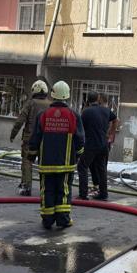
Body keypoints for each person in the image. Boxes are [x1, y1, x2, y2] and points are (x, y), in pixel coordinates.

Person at [28, 81, 84, 229]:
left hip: (46, 163)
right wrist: (78, 155)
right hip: (66, 163)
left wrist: (31, 155)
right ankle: (63, 220)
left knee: (47, 190)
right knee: (63, 191)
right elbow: (80, 139)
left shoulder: (43, 115)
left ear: (52, 95)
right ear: (67, 96)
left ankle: (47, 220)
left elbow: (35, 137)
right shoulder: (73, 115)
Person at [9, 80, 51, 196]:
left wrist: (13, 134)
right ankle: (46, 188)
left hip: (30, 138)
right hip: (45, 139)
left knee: (27, 161)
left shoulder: (30, 103)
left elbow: (20, 120)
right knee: (45, 164)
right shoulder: (50, 104)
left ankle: (26, 186)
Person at [78, 92, 118, 201]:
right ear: (98, 99)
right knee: (102, 169)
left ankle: (83, 193)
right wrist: (111, 133)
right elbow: (115, 120)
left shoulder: (86, 112)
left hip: (91, 144)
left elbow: (80, 129)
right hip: (103, 144)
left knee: (82, 166)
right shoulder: (105, 110)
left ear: (88, 100)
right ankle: (103, 194)